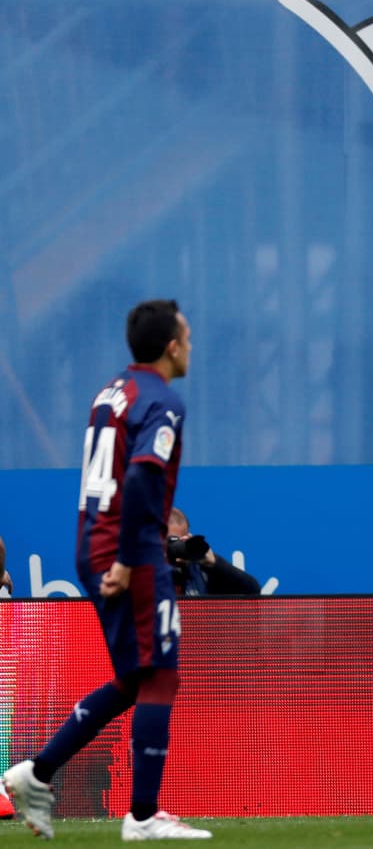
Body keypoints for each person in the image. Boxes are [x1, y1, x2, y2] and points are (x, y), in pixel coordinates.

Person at [2, 300, 212, 840]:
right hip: (130, 550)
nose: (191, 346)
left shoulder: (112, 392)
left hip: (93, 542)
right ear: (171, 346)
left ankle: (36, 773)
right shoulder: (163, 400)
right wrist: (128, 557)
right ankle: (142, 816)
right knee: (159, 675)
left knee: (132, 679)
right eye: (187, 337)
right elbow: (142, 479)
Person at [166, 508, 260, 597]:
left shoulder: (200, 571)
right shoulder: (156, 570)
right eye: (169, 541)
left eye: (178, 541)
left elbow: (252, 590)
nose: (173, 548)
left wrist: (214, 563)